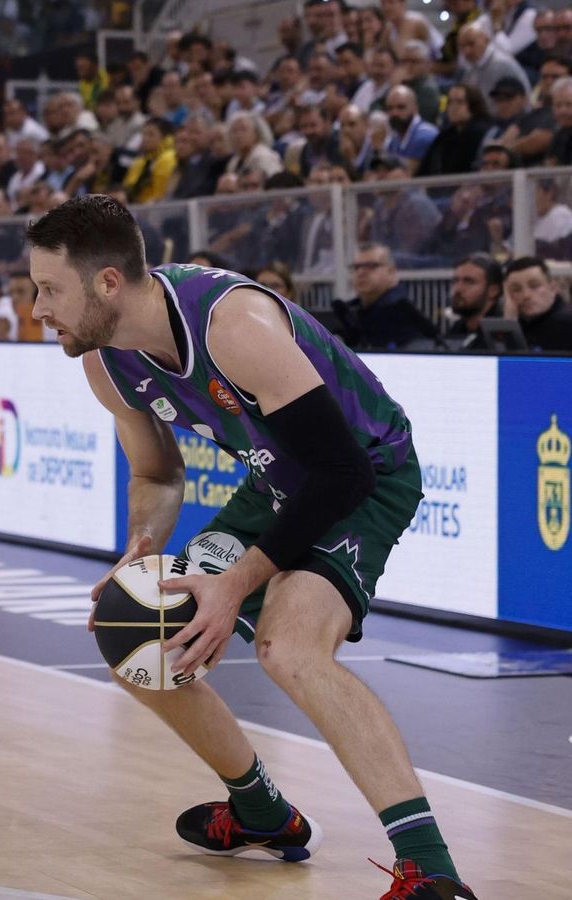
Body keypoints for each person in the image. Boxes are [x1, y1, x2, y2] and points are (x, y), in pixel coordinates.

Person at [26, 195, 475, 900]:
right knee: (135, 629)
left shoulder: (232, 323)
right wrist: (141, 551)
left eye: (49, 290)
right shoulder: (104, 362)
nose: (37, 309)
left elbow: (343, 472)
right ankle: (265, 815)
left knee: (288, 649)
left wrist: (237, 580)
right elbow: (156, 473)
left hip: (367, 476)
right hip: (277, 485)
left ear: (107, 283)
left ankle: (432, 870)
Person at [334, 243, 440, 349]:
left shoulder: (400, 313)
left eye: (371, 266)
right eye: (356, 267)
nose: (361, 272)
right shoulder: (347, 312)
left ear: (391, 272)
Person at [504, 256, 572, 350]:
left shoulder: (565, 324)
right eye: (516, 289)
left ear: (553, 288)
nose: (526, 295)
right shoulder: (521, 323)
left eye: (534, 286)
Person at [420, 84, 491, 175]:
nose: (453, 107)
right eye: (450, 102)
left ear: (473, 105)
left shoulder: (480, 132)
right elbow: (425, 168)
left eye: (460, 102)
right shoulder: (445, 136)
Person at [442, 253, 508, 348]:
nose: (458, 289)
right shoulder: (457, 330)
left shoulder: (503, 335)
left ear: (493, 291)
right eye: (455, 281)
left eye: (469, 282)